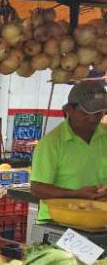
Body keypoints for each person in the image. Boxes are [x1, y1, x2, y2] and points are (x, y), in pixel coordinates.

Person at [30, 81, 107, 223]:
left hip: (99, 221)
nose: (93, 118)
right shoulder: (51, 143)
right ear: (69, 109)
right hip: (58, 223)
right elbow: (37, 188)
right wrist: (76, 195)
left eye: (99, 112)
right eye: (86, 113)